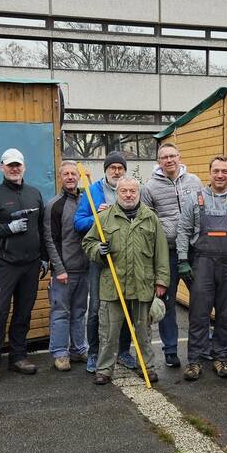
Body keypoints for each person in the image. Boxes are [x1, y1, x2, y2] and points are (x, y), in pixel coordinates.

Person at [177, 155, 227, 380]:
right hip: (202, 263)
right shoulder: (195, 199)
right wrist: (183, 260)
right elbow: (183, 230)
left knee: (225, 315)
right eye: (216, 171)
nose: (220, 175)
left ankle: (221, 358)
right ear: (209, 173)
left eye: (224, 171)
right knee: (198, 314)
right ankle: (194, 361)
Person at [82, 177, 169, 384]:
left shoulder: (151, 218)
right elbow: (88, 243)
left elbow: (161, 252)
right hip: (113, 285)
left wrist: (161, 281)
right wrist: (98, 250)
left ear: (138, 193)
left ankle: (147, 367)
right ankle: (104, 370)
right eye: (124, 191)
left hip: (142, 284)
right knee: (109, 332)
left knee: (143, 331)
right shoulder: (104, 217)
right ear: (117, 193)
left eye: (132, 191)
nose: (128, 195)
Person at [0, 148, 48, 383]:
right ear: (2, 167)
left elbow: (42, 228)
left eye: (18, 165)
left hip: (31, 263)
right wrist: (8, 228)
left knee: (23, 312)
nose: (14, 169)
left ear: (24, 167)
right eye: (10, 165)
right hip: (5, 263)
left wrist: (44, 257)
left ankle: (18, 357)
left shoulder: (34, 194)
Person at [141, 142, 203, 368]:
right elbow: (148, 223)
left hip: (194, 251)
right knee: (167, 302)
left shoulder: (194, 181)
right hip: (167, 253)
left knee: (201, 299)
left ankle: (202, 346)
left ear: (179, 157)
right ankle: (170, 350)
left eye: (172, 156)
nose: (169, 160)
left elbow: (203, 211)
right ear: (159, 162)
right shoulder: (149, 188)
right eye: (164, 157)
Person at [74, 151, 136, 373]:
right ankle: (94, 353)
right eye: (112, 168)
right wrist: (97, 216)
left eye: (120, 168)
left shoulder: (130, 190)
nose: (116, 172)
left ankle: (124, 351)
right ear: (106, 170)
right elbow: (78, 222)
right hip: (100, 258)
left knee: (126, 304)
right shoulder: (93, 191)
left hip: (125, 258)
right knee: (96, 307)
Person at [44, 160, 89, 371]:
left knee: (79, 311)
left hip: (84, 268)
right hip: (65, 271)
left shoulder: (86, 200)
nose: (70, 177)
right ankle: (60, 353)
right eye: (66, 174)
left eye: (73, 173)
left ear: (78, 176)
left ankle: (78, 349)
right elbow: (49, 239)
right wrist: (59, 269)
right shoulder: (54, 205)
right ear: (60, 177)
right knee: (61, 312)